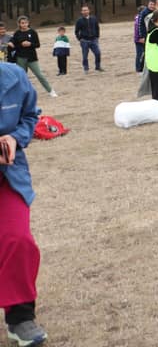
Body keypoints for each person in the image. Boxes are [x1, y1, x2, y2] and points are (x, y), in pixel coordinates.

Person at [0, 63, 48, 346]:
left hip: (9, 177)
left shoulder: (14, 76)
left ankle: (19, 317)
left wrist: (15, 139)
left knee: (18, 240)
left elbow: (30, 116)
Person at [9, 17, 55, 98]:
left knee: (39, 75)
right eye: (22, 23)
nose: (24, 24)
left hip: (32, 58)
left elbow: (37, 44)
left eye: (25, 23)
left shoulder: (33, 32)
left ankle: (51, 91)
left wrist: (30, 44)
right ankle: (23, 94)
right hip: (20, 58)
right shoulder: (17, 33)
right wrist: (18, 44)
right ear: (19, 24)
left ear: (28, 23)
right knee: (22, 77)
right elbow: (14, 44)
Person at [74, 4, 103, 73]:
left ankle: (98, 67)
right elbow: (76, 31)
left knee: (98, 53)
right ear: (81, 12)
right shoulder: (79, 21)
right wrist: (80, 39)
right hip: (84, 41)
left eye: (86, 10)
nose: (85, 11)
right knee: (85, 56)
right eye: (83, 10)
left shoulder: (94, 19)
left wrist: (97, 36)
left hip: (94, 40)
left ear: (89, 11)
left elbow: (97, 28)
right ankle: (86, 69)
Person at [134, 0, 155, 72]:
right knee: (140, 54)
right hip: (140, 39)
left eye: (153, 4)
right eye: (151, 4)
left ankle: (144, 67)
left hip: (146, 37)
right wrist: (140, 37)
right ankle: (139, 68)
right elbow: (139, 28)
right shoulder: (141, 16)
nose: (152, 6)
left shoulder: (153, 13)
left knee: (145, 53)